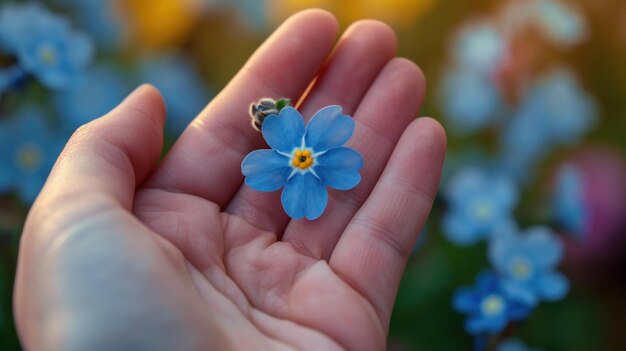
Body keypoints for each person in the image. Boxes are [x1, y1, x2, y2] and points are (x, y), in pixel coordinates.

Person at [13, 9, 446, 351]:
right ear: (291, 148)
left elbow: (321, 155)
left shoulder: (293, 139)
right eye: (299, 156)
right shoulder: (277, 141)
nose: (299, 157)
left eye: (301, 157)